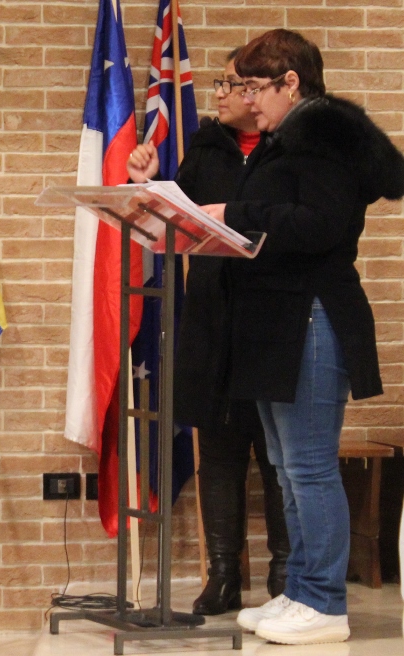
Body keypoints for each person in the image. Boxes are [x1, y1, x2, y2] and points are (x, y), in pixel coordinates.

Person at [200, 29, 404, 645]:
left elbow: (320, 225)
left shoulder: (322, 139)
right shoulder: (285, 139)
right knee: (287, 468)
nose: (246, 99)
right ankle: (300, 590)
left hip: (312, 316)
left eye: (253, 87)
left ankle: (324, 602)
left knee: (310, 468)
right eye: (240, 87)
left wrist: (235, 216)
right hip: (278, 319)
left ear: (291, 82)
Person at [126, 49, 290, 617]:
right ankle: (223, 575)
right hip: (211, 320)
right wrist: (149, 183)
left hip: (271, 323)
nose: (219, 93)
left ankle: (285, 575)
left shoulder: (287, 149)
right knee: (218, 452)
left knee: (278, 458)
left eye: (233, 84)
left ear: (261, 91)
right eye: (220, 83)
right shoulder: (206, 144)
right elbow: (180, 218)